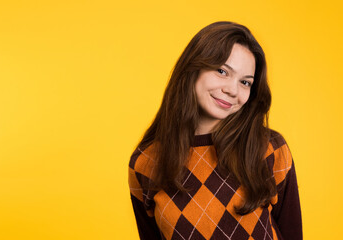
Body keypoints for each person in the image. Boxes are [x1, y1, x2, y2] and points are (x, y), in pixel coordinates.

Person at [128, 21, 302, 240]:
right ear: (193, 69)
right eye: (222, 71)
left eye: (245, 82)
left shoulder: (268, 149)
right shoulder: (146, 162)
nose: (232, 90)